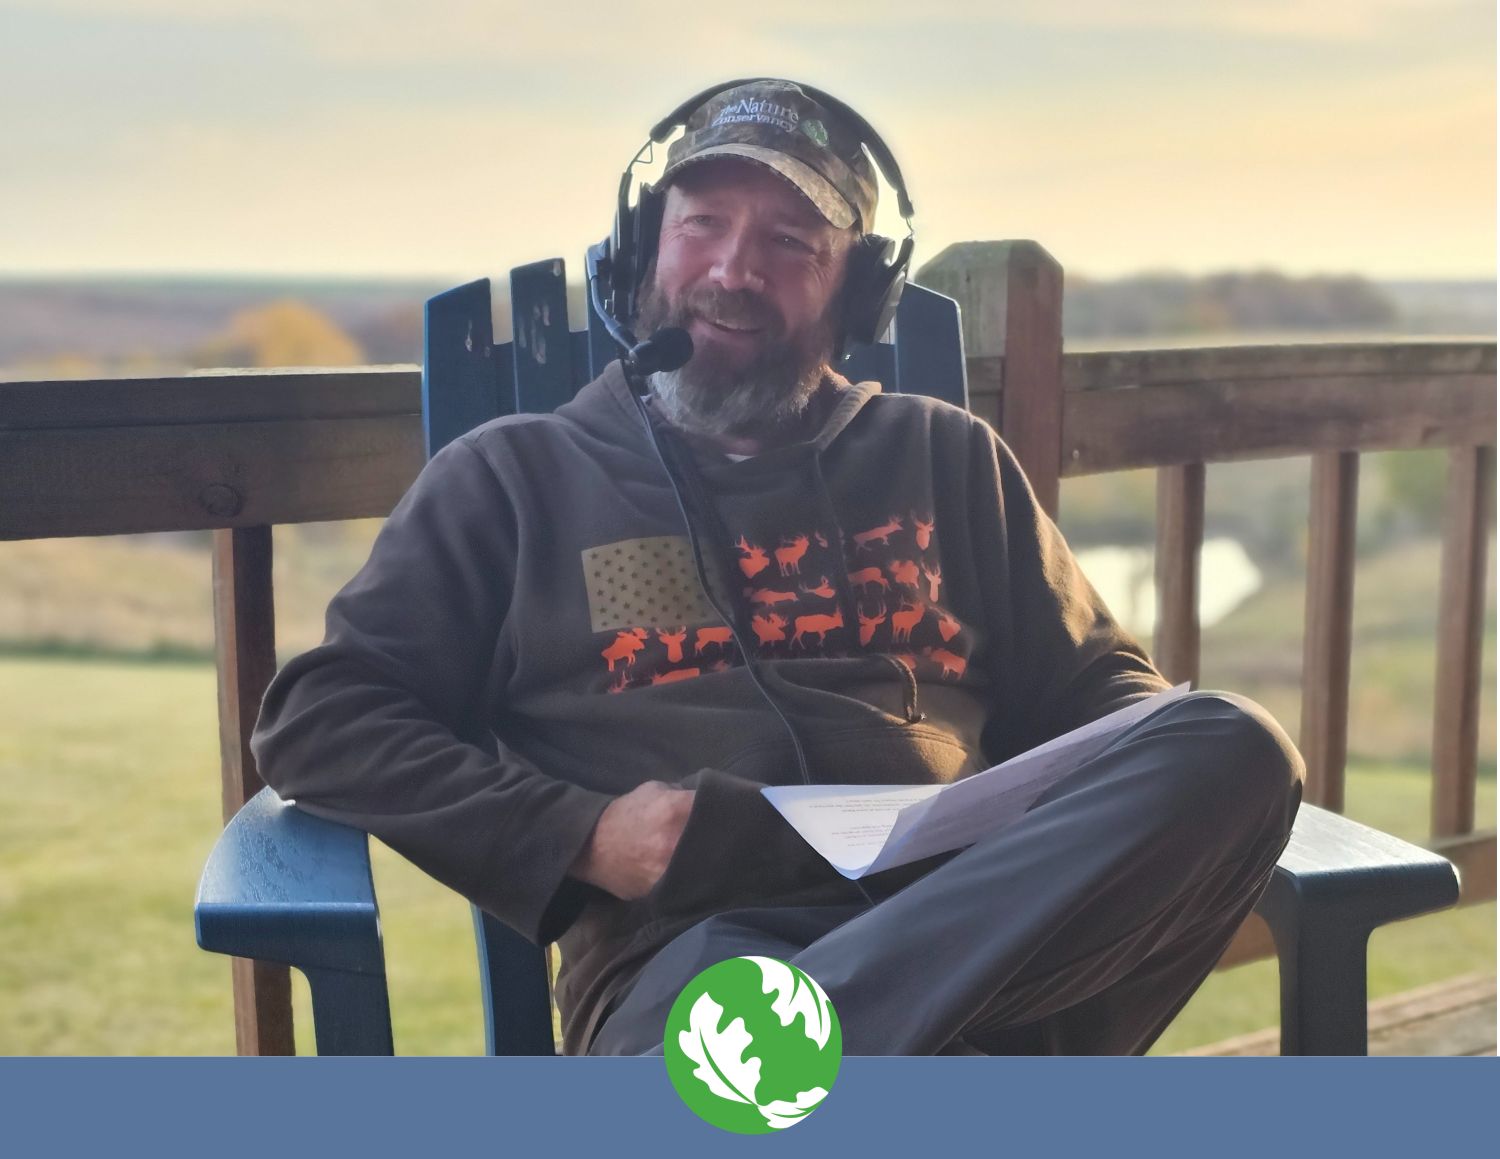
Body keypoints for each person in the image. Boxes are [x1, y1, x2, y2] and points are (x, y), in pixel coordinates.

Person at [252, 79, 1303, 1057]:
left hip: (975, 925)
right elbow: (323, 717)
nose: (733, 272)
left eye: (791, 241)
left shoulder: (946, 456)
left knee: (1233, 741)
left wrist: (1102, 773)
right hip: (699, 952)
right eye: (701, 224)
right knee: (770, 1030)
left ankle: (793, 1078)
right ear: (640, 253)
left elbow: (1101, 693)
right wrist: (583, 835)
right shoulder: (515, 480)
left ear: (859, 291)